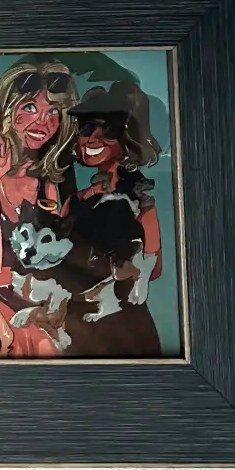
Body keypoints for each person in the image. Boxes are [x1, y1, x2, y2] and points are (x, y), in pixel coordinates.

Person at [0, 61, 80, 355]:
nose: (43, 122)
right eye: (29, 108)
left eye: (53, 112)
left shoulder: (49, 186)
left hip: (44, 323)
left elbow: (61, 269)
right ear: (6, 113)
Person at [59, 80, 164, 356]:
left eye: (109, 131)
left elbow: (153, 267)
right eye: (87, 129)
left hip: (124, 326)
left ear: (127, 139)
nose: (93, 139)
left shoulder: (140, 200)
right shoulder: (75, 201)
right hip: (75, 326)